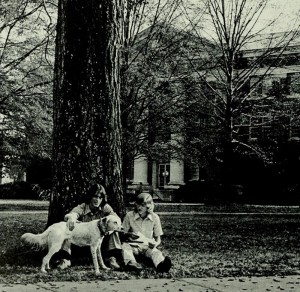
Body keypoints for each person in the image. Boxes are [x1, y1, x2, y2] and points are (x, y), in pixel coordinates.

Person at [56, 183, 123, 270]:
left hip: (100, 244)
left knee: (114, 229)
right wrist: (71, 218)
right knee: (69, 228)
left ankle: (111, 258)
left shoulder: (105, 207)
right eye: (95, 196)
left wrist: (108, 231)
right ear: (90, 196)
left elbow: (116, 219)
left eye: (100, 197)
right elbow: (73, 214)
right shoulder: (83, 207)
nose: (97, 200)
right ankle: (65, 259)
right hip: (81, 242)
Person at [121, 192, 172, 273]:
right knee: (125, 246)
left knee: (156, 252)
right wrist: (129, 235)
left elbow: (158, 238)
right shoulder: (129, 215)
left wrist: (155, 244)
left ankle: (161, 266)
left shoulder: (155, 217)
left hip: (148, 246)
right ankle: (132, 263)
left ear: (148, 206)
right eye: (138, 204)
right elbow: (122, 233)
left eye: (142, 205)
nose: (139, 207)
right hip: (135, 245)